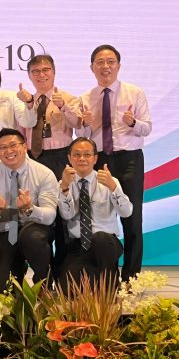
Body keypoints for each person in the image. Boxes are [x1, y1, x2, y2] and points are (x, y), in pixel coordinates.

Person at [74, 44, 151, 282]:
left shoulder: (134, 93)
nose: (105, 66)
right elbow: (82, 135)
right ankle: (104, 273)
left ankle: (130, 278)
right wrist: (84, 123)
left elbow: (146, 128)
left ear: (118, 65)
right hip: (100, 160)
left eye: (110, 62)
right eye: (100, 62)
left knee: (132, 218)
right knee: (100, 216)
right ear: (92, 67)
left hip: (129, 159)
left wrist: (132, 122)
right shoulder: (85, 98)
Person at [21, 55, 82, 274]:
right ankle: (43, 273)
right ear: (30, 75)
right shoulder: (27, 101)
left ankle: (64, 271)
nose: (41, 75)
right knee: (42, 217)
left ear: (54, 72)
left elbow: (79, 124)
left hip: (60, 158)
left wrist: (63, 106)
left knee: (65, 217)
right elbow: (21, 134)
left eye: (45, 70)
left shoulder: (67, 97)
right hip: (34, 160)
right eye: (35, 71)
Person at [0, 128, 58, 291]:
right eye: (2, 148)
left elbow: (50, 216)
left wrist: (30, 208)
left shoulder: (44, 174)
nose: (8, 151)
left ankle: (44, 284)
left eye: (13, 145)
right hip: (6, 228)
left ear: (25, 146)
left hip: (35, 228)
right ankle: (15, 272)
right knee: (0, 289)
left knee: (32, 237)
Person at [57, 137, 133, 291]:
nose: (82, 159)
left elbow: (127, 212)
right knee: (68, 290)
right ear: (69, 158)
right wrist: (65, 188)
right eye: (77, 155)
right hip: (78, 245)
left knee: (100, 240)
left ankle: (109, 288)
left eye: (87, 154)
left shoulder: (110, 181)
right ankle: (93, 280)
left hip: (106, 242)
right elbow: (66, 215)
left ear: (95, 158)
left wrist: (113, 188)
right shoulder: (64, 183)